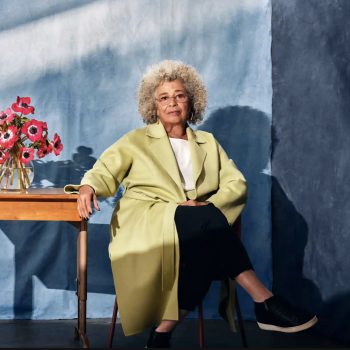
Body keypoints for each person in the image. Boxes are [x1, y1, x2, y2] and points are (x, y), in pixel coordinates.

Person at [64, 60, 317, 348]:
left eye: (180, 95)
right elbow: (104, 170)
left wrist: (204, 207)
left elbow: (236, 185)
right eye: (164, 97)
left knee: (207, 251)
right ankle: (265, 301)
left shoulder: (208, 143)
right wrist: (88, 185)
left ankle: (160, 336)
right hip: (147, 222)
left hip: (198, 227)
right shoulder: (136, 141)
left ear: (191, 102)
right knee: (208, 227)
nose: (173, 102)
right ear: (154, 106)